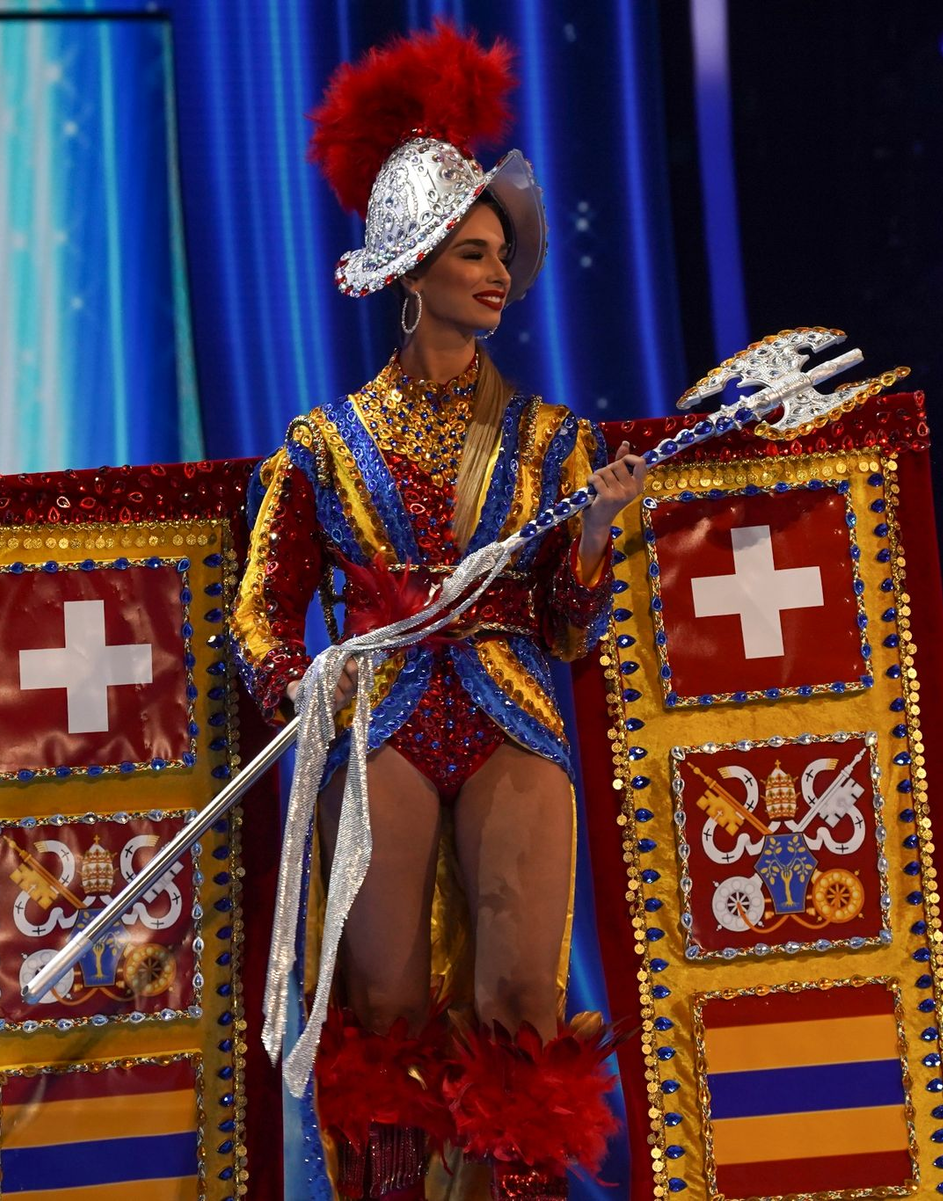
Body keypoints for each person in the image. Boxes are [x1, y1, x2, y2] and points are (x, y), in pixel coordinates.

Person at [232, 24, 646, 1201]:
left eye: (501, 252)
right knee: (386, 1012)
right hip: (383, 728)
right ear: (411, 274)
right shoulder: (319, 449)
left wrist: (600, 533)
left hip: (509, 714)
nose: (498, 273)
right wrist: (294, 681)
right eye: (470, 253)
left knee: (524, 1007)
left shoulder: (559, 444)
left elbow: (568, 631)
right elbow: (259, 615)